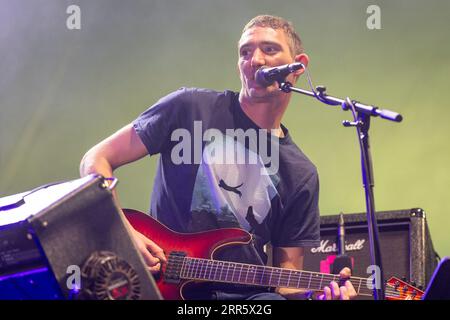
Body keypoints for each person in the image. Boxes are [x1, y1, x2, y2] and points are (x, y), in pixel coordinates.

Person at [80, 14, 356, 300]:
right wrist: (124, 233)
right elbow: (96, 159)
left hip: (247, 301)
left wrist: (317, 299)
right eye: (245, 52)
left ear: (298, 67)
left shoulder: (300, 172)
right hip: (163, 285)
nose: (255, 60)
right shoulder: (189, 108)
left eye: (269, 50)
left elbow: (289, 281)